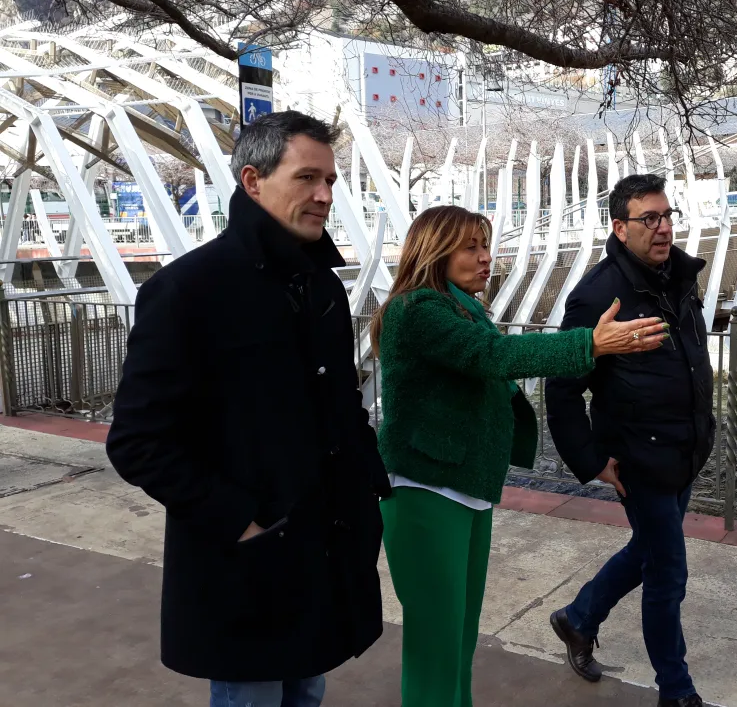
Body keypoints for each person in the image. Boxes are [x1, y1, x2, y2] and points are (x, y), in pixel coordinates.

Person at [106, 111, 391, 707]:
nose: (324, 195)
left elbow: (343, 402)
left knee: (307, 689)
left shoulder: (321, 285)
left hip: (322, 546)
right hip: (247, 557)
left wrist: (368, 485)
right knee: (253, 694)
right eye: (307, 177)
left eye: (330, 180)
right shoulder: (186, 291)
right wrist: (241, 520)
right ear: (253, 180)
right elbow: (137, 440)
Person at [370, 205, 668, 707]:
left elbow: (489, 360)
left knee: (457, 639)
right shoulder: (416, 309)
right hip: (425, 491)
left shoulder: (460, 306)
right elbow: (495, 357)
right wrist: (590, 344)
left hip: (463, 488)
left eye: (486, 246)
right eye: (471, 247)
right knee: (436, 646)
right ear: (434, 250)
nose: (486, 258)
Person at [545, 173, 715, 707]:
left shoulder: (678, 277)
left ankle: (578, 618)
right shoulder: (598, 296)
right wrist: (592, 461)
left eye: (667, 216)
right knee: (667, 573)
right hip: (638, 458)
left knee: (648, 549)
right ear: (620, 228)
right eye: (649, 219)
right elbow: (562, 388)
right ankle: (676, 691)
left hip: (684, 451)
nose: (663, 228)